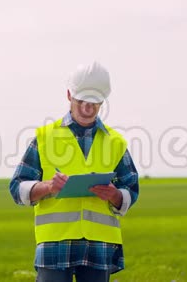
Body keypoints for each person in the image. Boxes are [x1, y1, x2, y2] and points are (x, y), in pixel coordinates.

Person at [9, 60, 139, 282]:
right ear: (69, 95)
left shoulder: (116, 142)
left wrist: (116, 195)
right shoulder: (45, 137)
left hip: (99, 247)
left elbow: (131, 188)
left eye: (95, 103)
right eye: (81, 101)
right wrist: (48, 186)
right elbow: (17, 188)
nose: (87, 109)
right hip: (55, 246)